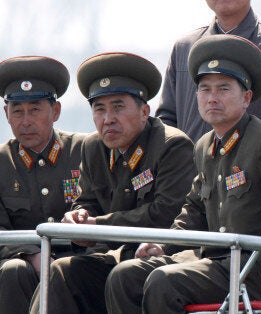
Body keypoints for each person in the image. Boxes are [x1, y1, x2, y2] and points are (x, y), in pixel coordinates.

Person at [104, 34, 261, 314]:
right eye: (204, 89)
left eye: (223, 89)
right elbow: (193, 211)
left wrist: (256, 263)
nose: (212, 98)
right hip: (216, 261)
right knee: (124, 276)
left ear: (247, 97)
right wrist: (163, 245)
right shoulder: (204, 145)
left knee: (164, 282)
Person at [29, 52, 196, 314]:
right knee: (60, 272)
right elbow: (87, 201)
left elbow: (165, 213)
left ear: (144, 111)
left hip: (158, 257)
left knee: (123, 275)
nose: (108, 119)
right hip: (113, 256)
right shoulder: (94, 147)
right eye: (100, 109)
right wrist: (79, 217)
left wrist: (99, 226)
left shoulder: (171, 146)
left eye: (118, 107)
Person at [155, 0, 261, 145]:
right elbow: (167, 121)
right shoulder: (184, 47)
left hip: (256, 174)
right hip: (190, 173)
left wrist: (254, 159)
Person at [0, 56, 85, 314]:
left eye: (35, 109)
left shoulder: (84, 150)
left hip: (78, 260)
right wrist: (30, 254)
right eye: (17, 111)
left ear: (55, 111)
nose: (26, 121)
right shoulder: (2, 163)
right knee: (12, 270)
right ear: (6, 114)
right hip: (23, 266)